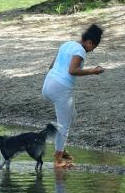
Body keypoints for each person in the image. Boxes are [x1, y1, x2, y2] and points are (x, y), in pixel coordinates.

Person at [42, 24, 104, 169]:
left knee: (71, 115)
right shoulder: (80, 50)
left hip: (47, 85)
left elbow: (51, 66)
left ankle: (60, 148)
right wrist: (92, 71)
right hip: (61, 89)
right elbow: (72, 70)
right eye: (93, 48)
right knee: (64, 126)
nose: (91, 51)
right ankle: (58, 160)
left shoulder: (67, 44)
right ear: (89, 42)